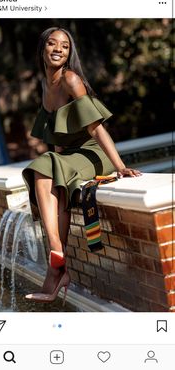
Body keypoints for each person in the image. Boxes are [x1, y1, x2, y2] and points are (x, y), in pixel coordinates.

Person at [22, 27, 141, 304]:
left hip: (92, 153)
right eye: (52, 44)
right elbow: (56, 140)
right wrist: (58, 167)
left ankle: (55, 258)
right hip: (71, 156)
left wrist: (120, 166)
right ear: (42, 49)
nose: (58, 49)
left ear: (69, 52)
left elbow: (97, 129)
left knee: (44, 164)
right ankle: (57, 270)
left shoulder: (71, 80)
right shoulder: (44, 85)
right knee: (50, 176)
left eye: (64, 46)